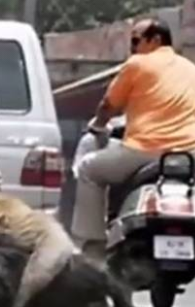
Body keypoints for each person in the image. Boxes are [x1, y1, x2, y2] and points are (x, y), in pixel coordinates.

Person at [72, 18, 195, 260]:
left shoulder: (138, 64)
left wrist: (98, 125)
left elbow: (108, 104)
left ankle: (93, 247)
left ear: (156, 40)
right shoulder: (190, 68)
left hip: (144, 152)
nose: (133, 47)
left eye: (136, 41)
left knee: (89, 169)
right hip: (188, 154)